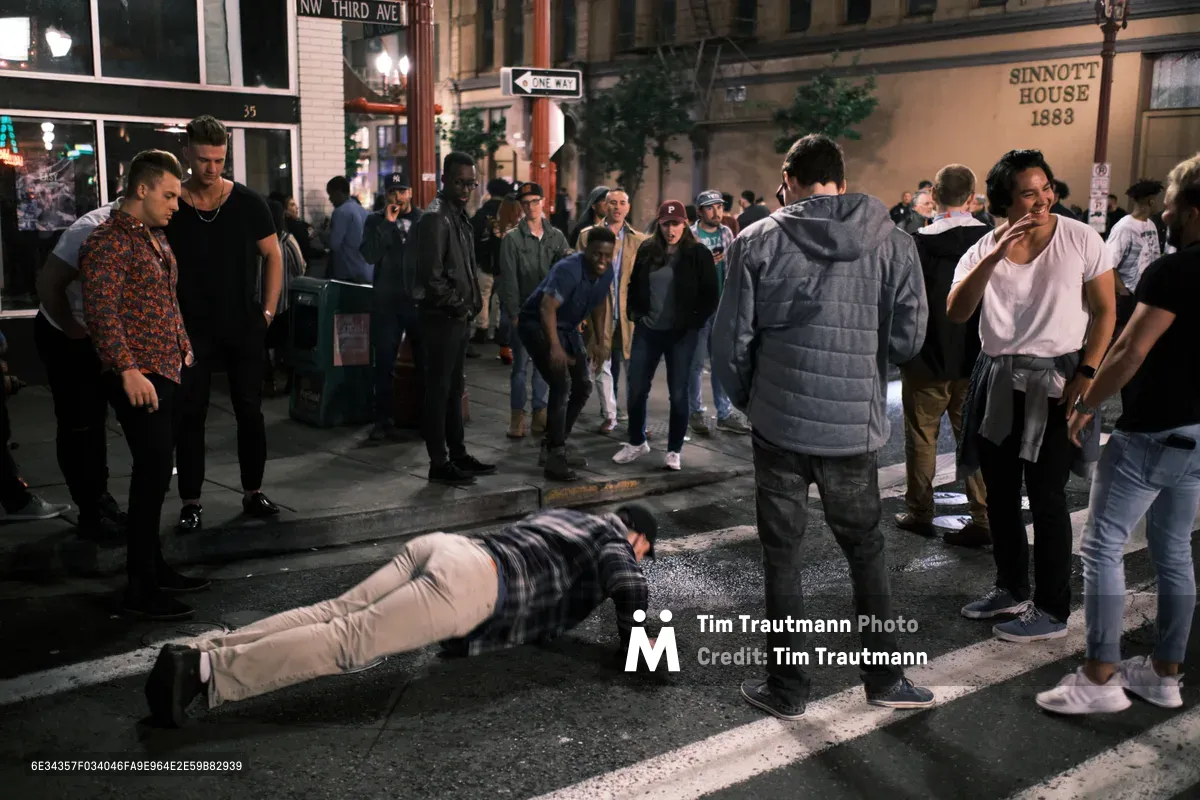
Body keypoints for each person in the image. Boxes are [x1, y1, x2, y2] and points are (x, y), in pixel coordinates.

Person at [713, 133, 934, 719]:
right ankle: (885, 677)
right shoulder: (893, 242)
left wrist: (753, 401)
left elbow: (730, 343)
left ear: (788, 179)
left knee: (781, 557)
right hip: (851, 433)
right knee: (865, 549)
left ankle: (788, 690)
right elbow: (910, 338)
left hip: (779, 428)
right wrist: (866, 367)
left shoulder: (755, 241)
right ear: (842, 177)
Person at [143, 504, 658, 727]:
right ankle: (206, 675)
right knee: (349, 641)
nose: (641, 556)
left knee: (335, 611)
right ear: (636, 535)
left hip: (446, 548)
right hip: (470, 584)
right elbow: (629, 587)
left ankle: (201, 652)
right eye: (646, 548)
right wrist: (649, 655)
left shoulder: (571, 518)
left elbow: (550, 589)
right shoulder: (612, 538)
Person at [1036, 152, 1200, 716]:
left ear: (1194, 210)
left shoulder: (1176, 271)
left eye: (1174, 206)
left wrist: (1086, 400)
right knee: (1173, 548)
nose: (1165, 216)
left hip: (1153, 428)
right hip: (1199, 434)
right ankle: (1164, 672)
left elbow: (1131, 348)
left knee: (1103, 544)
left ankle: (1100, 674)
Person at [949, 149, 1115, 642]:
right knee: (999, 494)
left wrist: (1088, 370)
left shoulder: (1081, 238)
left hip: (1058, 379)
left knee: (1046, 498)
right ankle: (1010, 587)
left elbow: (1105, 311)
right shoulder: (983, 248)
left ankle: (1052, 609)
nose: (1044, 199)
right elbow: (957, 312)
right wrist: (996, 253)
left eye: (1047, 189)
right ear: (1006, 200)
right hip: (998, 378)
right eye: (1030, 192)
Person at [80, 150, 209, 620]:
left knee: (157, 474)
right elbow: (101, 311)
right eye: (170, 194)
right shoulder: (108, 242)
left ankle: (154, 568)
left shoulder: (153, 237)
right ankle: (140, 586)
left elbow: (164, 302)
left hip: (168, 369)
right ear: (142, 189)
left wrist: (185, 350)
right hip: (140, 376)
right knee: (150, 475)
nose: (177, 203)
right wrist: (127, 369)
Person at [168, 116, 283, 532]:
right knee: (190, 414)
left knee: (249, 410)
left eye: (218, 160)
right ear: (187, 154)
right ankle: (191, 500)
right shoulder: (172, 204)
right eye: (203, 160)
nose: (211, 168)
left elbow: (274, 255)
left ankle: (253, 491)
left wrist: (266, 313)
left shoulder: (248, 202)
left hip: (241, 323)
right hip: (190, 328)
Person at [897, 165, 991, 546]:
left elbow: (904, 302)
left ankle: (921, 512)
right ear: (972, 197)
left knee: (921, 437)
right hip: (977, 356)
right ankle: (984, 515)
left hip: (926, 356)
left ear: (932, 195)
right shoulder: (990, 240)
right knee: (974, 437)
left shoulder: (914, 243)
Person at [33, 199, 128, 539]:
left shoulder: (151, 227)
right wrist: (75, 332)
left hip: (98, 334)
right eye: (169, 195)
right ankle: (91, 509)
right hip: (66, 331)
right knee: (80, 424)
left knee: (96, 423)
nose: (175, 205)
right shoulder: (91, 228)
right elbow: (48, 286)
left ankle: (100, 500)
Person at [613, 201, 719, 472]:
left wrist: (693, 324)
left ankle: (674, 450)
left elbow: (709, 296)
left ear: (685, 224)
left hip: (681, 334)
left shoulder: (698, 253)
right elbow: (633, 285)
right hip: (648, 331)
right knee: (636, 388)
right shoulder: (648, 250)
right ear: (658, 225)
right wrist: (635, 315)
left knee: (679, 394)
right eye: (665, 224)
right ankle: (637, 441)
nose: (671, 229)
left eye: (676, 224)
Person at [412, 152, 494, 486]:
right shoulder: (436, 217)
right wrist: (459, 306)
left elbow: (462, 268)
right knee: (439, 390)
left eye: (471, 183)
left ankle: (457, 454)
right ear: (445, 179)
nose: (466, 188)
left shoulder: (456, 215)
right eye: (459, 182)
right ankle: (439, 461)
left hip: (456, 317)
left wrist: (467, 308)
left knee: (454, 388)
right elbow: (431, 277)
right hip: (441, 318)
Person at [518, 230, 617, 480]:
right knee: (561, 384)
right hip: (538, 324)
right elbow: (546, 307)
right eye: (596, 254)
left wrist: (600, 340)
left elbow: (600, 300)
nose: (602, 260)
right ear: (586, 252)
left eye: (607, 254)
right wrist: (555, 347)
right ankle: (555, 455)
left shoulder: (608, 271)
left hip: (567, 327)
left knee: (583, 385)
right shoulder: (569, 269)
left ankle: (554, 441)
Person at [498, 182, 571, 440]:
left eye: (534, 201)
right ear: (521, 206)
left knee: (542, 365)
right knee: (519, 366)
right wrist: (515, 314)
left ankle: (540, 413)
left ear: (542, 202)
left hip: (547, 312)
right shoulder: (512, 239)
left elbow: (563, 272)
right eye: (525, 203)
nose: (530, 207)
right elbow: (508, 280)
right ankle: (517, 416)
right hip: (523, 312)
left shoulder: (556, 237)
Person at [361, 174, 423, 441]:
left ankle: (425, 418)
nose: (397, 197)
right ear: (386, 195)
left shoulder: (424, 220)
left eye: (402, 191)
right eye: (392, 192)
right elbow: (369, 255)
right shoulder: (375, 220)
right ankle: (382, 420)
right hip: (386, 302)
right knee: (384, 361)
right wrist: (388, 224)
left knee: (425, 362)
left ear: (410, 192)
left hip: (417, 301)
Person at [580, 188, 647, 433]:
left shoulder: (638, 240)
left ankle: (636, 417)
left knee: (634, 367)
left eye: (622, 203)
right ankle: (610, 415)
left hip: (629, 311)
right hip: (600, 308)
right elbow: (581, 275)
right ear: (604, 206)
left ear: (628, 207)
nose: (617, 207)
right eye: (612, 203)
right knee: (601, 363)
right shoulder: (588, 236)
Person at [688, 190, 749, 437]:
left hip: (722, 305)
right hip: (699, 308)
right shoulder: (691, 235)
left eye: (719, 207)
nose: (717, 212)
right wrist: (705, 266)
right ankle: (696, 412)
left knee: (721, 363)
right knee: (695, 364)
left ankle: (724, 414)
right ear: (700, 211)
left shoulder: (726, 233)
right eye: (711, 208)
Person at [1107, 179, 1165, 335]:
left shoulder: (1151, 224)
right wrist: (1124, 293)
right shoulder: (1124, 227)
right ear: (1151, 201)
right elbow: (1108, 264)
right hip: (1130, 297)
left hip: (1145, 294)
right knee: (1123, 337)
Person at [264, 199, 307, 397]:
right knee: (285, 344)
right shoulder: (286, 240)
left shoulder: (265, 240)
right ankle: (286, 382)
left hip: (269, 302)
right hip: (283, 302)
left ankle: (270, 381)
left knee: (267, 344)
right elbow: (301, 267)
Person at [470, 178, 514, 353]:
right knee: (499, 298)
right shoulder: (510, 212)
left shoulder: (483, 212)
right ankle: (498, 329)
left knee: (483, 295)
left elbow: (473, 233)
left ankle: (482, 328)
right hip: (504, 263)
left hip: (485, 260)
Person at [325, 176, 372, 284]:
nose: (330, 199)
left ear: (339, 192)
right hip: (366, 272)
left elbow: (334, 244)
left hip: (349, 276)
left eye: (331, 194)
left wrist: (321, 235)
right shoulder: (363, 211)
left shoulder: (340, 212)